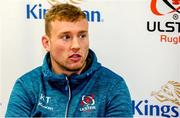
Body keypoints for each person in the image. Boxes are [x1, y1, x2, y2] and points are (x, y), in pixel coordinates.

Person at [5, 3, 133, 117]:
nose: (76, 45)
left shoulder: (112, 85)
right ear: (46, 43)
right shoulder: (28, 85)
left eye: (82, 36)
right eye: (66, 37)